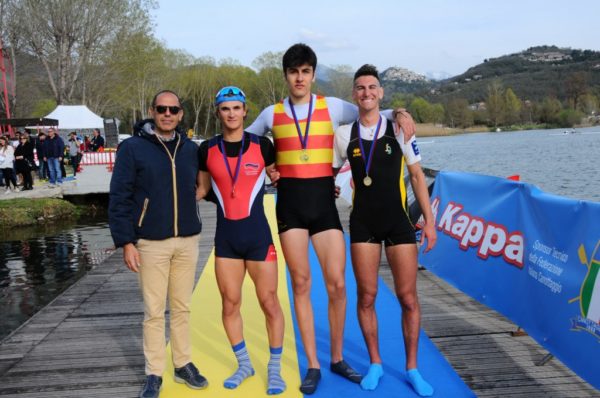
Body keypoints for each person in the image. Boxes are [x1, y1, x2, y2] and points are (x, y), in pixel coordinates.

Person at [245, 43, 417, 394]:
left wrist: (401, 111)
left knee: (338, 285)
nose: (299, 78)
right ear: (286, 76)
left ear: (312, 74)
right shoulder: (270, 113)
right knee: (301, 284)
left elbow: (373, 112)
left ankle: (337, 357)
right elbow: (244, 142)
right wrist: (267, 167)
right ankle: (312, 364)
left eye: (305, 71)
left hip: (324, 207)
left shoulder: (334, 107)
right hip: (290, 208)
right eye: (293, 72)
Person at [333, 64, 437, 396]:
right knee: (367, 297)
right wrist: (328, 189)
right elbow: (329, 173)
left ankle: (412, 368)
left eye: (372, 87)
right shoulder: (342, 134)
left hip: (399, 222)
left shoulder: (400, 128)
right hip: (363, 222)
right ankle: (376, 363)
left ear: (381, 93)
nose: (366, 93)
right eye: (360, 88)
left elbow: (418, 176)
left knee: (408, 298)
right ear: (354, 94)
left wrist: (430, 223)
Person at [108, 89, 207, 398]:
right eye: (162, 108)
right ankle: (153, 372)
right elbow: (119, 197)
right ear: (153, 111)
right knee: (153, 311)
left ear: (180, 114)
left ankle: (183, 363)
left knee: (182, 307)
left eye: (173, 109)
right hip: (150, 242)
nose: (167, 114)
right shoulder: (133, 148)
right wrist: (126, 241)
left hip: (187, 239)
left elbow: (209, 184)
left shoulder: (190, 148)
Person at [196, 86, 286, 395]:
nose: (231, 114)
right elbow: (201, 191)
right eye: (225, 109)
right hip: (227, 241)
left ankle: (274, 369)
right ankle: (244, 363)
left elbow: (280, 177)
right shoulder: (207, 149)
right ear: (218, 112)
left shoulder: (263, 145)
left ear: (245, 111)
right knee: (230, 303)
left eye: (236, 108)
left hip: (259, 236)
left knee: (269, 302)